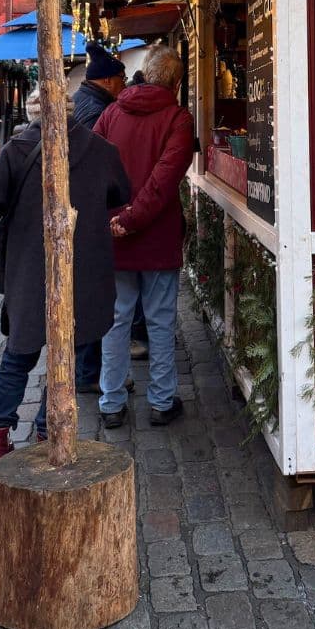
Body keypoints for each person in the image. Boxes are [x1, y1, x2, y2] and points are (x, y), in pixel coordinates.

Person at [0, 91, 130, 468]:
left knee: (18, 356)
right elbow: (121, 191)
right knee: (68, 357)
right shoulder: (100, 150)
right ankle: (46, 431)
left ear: (34, 113)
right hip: (83, 269)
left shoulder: (17, 149)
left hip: (29, 269)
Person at [94, 44, 194, 428]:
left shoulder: (112, 111)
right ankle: (162, 400)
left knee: (116, 321)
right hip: (155, 234)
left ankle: (112, 401)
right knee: (160, 320)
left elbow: (93, 169)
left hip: (114, 233)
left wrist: (116, 220)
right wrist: (133, 218)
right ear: (177, 81)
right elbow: (164, 181)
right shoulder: (177, 120)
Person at [70, 44, 128, 392]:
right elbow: (93, 161)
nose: (123, 84)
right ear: (107, 80)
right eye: (120, 79)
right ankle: (88, 373)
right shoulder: (95, 111)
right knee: (92, 295)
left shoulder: (86, 102)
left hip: (83, 208)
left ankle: (88, 370)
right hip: (88, 210)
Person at [72, 44, 126, 128]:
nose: (124, 85)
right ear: (107, 80)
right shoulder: (97, 112)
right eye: (122, 78)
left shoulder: (77, 96)